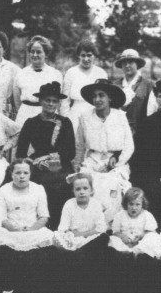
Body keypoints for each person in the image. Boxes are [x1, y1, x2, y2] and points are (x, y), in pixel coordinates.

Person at [13, 82, 75, 222]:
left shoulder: (65, 122)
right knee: (34, 181)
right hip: (37, 163)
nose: (51, 104)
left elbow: (71, 152)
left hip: (61, 162)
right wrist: (30, 161)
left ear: (58, 103)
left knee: (63, 182)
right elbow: (21, 152)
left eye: (54, 101)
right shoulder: (31, 122)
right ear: (41, 101)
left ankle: (59, 223)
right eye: (47, 100)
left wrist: (54, 159)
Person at [75, 80, 133, 209]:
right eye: (94, 96)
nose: (97, 99)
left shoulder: (120, 116)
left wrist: (117, 161)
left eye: (101, 95)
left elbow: (129, 146)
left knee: (113, 184)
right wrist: (77, 164)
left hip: (115, 162)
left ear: (109, 98)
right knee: (88, 184)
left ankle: (111, 224)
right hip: (92, 160)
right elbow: (80, 144)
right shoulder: (85, 117)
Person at [0, 160, 55, 251]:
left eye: (25, 173)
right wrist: (15, 229)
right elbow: (1, 218)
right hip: (10, 231)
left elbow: (44, 216)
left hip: (34, 230)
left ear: (30, 174)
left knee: (47, 239)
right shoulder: (2, 191)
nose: (22, 176)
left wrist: (32, 229)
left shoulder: (38, 189)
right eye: (18, 173)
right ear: (11, 174)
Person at [12, 37, 62, 123]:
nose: (35, 55)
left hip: (47, 114)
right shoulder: (21, 73)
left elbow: (58, 100)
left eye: (38, 52)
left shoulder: (55, 74)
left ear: (46, 54)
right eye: (32, 52)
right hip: (24, 115)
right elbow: (17, 99)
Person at [55, 173, 109, 251]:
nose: (81, 192)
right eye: (78, 189)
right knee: (58, 237)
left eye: (85, 188)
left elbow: (101, 228)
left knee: (104, 238)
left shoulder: (96, 204)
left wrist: (82, 234)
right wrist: (69, 234)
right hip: (74, 239)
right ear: (73, 191)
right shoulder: (69, 204)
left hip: (92, 238)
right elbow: (63, 228)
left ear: (91, 190)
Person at [108, 187, 161, 257]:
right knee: (112, 239)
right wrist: (122, 236)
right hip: (125, 244)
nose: (134, 207)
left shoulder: (146, 215)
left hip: (140, 244)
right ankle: (126, 254)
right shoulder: (120, 215)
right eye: (131, 204)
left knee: (153, 237)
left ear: (142, 204)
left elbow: (151, 231)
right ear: (126, 204)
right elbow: (115, 232)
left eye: (137, 204)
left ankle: (139, 254)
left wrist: (141, 236)